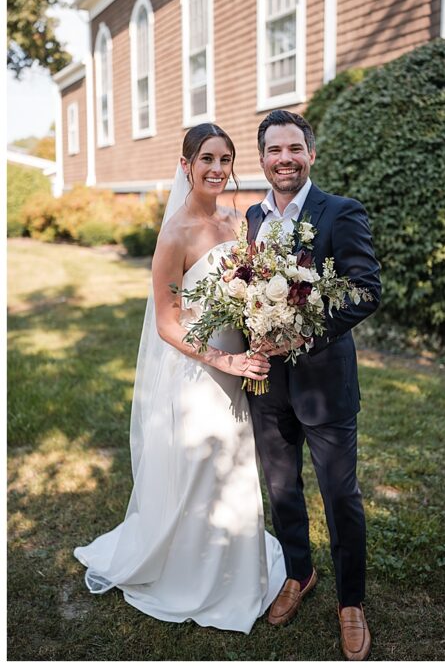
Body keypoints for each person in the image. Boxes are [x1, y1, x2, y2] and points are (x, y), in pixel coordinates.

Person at [74, 123, 287, 633]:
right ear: (187, 164)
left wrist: (262, 327)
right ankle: (188, 571)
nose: (217, 169)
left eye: (225, 160)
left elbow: (250, 293)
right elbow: (168, 322)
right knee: (199, 465)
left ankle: (235, 562)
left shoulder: (237, 223)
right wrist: (224, 360)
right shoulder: (175, 234)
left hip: (240, 363)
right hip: (198, 370)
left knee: (235, 463)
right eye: (207, 159)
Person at [245, 110, 381, 661]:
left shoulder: (340, 213)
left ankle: (351, 601)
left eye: (295, 148)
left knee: (340, 494)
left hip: (324, 383)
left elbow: (365, 289)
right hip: (266, 386)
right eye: (275, 150)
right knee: (280, 488)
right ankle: (300, 573)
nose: (285, 159)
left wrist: (301, 334)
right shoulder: (251, 219)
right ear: (262, 159)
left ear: (311, 155)